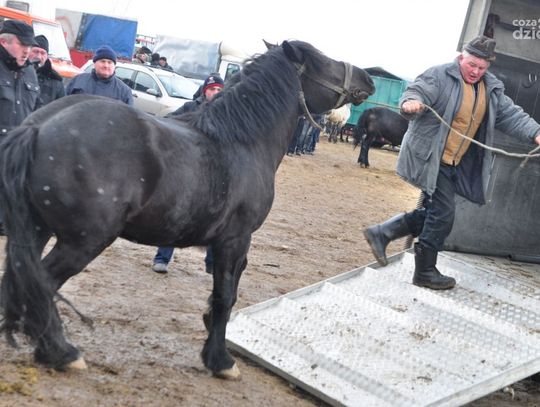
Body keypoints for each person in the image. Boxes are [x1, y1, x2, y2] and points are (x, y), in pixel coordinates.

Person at [363, 35, 540, 290]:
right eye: (472, 65)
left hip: (455, 161)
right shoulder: (439, 75)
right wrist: (410, 103)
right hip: (432, 157)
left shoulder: (490, 88)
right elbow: (416, 91)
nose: (476, 71)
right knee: (443, 214)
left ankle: (383, 232)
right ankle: (424, 271)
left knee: (437, 212)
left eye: (482, 67)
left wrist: (536, 132)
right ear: (461, 58)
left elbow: (512, 115)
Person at [152, 74, 225, 274]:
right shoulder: (190, 107)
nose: (215, 93)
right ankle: (162, 258)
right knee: (175, 213)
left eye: (219, 89)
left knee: (216, 217)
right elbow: (168, 123)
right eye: (212, 89)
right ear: (204, 90)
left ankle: (212, 263)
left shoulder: (226, 112)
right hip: (186, 170)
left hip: (212, 173)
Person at [0, 19, 41, 136]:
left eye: (29, 46)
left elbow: (38, 107)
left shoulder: (30, 70)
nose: (27, 51)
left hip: (19, 143)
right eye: (22, 44)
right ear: (3, 42)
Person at [66, 45, 133, 105]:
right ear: (94, 63)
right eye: (102, 61)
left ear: (114, 66)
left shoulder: (124, 91)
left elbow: (128, 114)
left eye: (109, 62)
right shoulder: (78, 81)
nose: (106, 65)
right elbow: (63, 105)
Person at [30, 34, 65, 105]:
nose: (39, 57)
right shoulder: (19, 73)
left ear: (47, 56)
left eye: (43, 53)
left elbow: (61, 107)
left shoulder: (55, 81)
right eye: (35, 51)